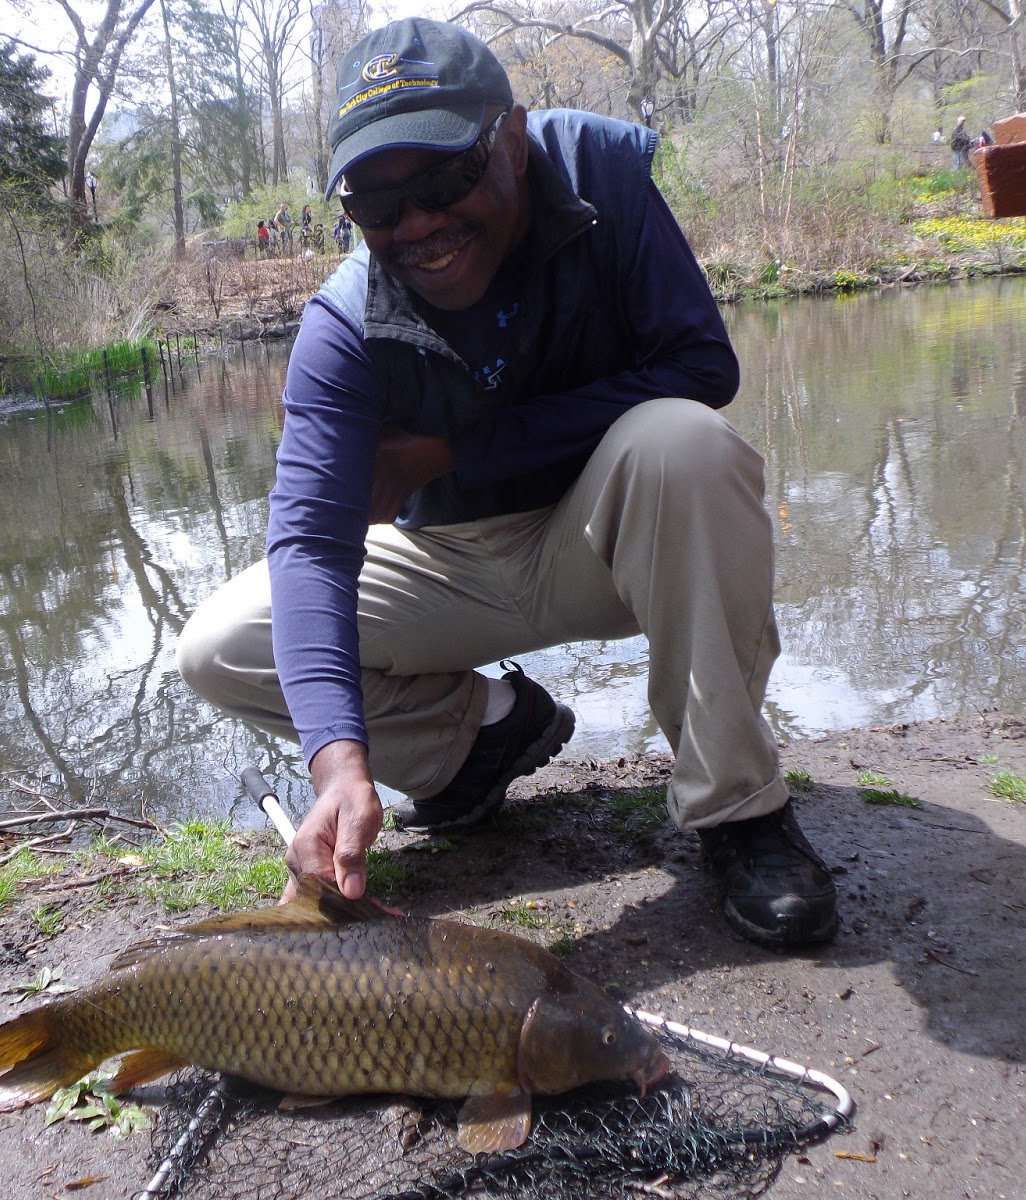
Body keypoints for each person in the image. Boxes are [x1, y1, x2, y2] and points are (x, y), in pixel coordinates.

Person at [177, 18, 838, 950]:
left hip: (612, 539)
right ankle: (482, 737)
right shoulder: (343, 323)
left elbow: (702, 366)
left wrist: (459, 451)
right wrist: (338, 763)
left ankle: (738, 811)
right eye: (375, 203)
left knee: (687, 444)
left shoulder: (603, 176)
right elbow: (311, 546)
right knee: (220, 646)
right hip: (450, 564)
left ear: (513, 140)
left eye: (445, 181)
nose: (418, 227)